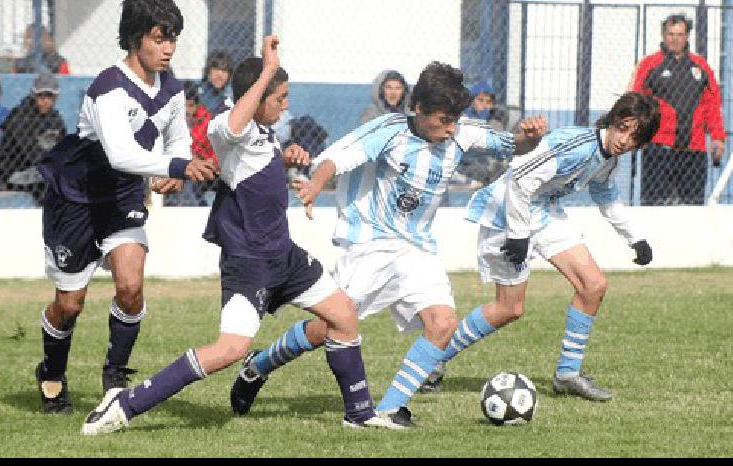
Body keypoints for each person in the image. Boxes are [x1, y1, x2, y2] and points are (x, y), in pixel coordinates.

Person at [80, 35, 401, 435]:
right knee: (230, 349)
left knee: (343, 315)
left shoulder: (263, 131)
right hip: (249, 264)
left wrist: (286, 158)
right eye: (279, 97)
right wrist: (266, 70)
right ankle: (126, 404)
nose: (286, 105)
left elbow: (253, 162)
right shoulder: (226, 124)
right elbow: (232, 133)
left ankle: (359, 413)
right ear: (258, 95)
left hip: (283, 255)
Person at [227, 61, 547, 427]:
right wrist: (315, 185)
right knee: (329, 327)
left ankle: (392, 409)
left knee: (442, 323)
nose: (451, 128)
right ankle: (259, 365)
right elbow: (335, 157)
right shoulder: (389, 131)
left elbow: (510, 144)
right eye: (443, 119)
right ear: (419, 110)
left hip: (418, 249)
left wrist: (530, 138)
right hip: (372, 245)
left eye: (455, 119)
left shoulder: (462, 133)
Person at [32, 0, 218, 415]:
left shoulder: (172, 88)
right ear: (136, 38)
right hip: (76, 202)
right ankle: (52, 372)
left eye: (172, 38)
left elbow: (177, 142)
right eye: (159, 38)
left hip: (121, 198)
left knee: (131, 288)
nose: (168, 48)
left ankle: (115, 377)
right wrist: (173, 169)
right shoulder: (108, 89)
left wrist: (175, 167)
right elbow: (120, 153)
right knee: (69, 304)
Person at [421, 91, 661, 401]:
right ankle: (431, 361)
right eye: (624, 128)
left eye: (635, 136)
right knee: (509, 308)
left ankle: (567, 374)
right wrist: (519, 234)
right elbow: (520, 180)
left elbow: (605, 194)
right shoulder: (576, 145)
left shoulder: (608, 158)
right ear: (614, 121)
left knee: (593, 285)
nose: (625, 140)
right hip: (506, 213)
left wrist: (635, 237)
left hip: (543, 212)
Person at [629, 13, 725, 206]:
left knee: (693, 209)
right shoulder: (649, 64)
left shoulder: (701, 66)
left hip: (694, 150)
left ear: (687, 36)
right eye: (670, 34)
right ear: (664, 35)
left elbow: (712, 106)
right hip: (659, 149)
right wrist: (636, 133)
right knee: (653, 207)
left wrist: (717, 137)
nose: (675, 39)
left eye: (680, 34)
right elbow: (635, 101)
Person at [0, 72, 66, 202]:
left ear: (55, 97)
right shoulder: (20, 117)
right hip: (16, 171)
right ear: (34, 95)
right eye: (41, 95)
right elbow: (31, 154)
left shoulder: (55, 118)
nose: (45, 100)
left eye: (49, 96)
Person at [163, 80, 217, 206]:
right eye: (183, 106)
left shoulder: (207, 122)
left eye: (191, 106)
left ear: (197, 106)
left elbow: (216, 152)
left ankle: (189, 204)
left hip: (206, 168)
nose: (187, 110)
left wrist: (207, 162)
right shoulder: (167, 119)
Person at [453, 81, 513, 187]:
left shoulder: (494, 116)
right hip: (466, 162)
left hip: (485, 161)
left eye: (488, 102)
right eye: (480, 100)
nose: (484, 105)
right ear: (472, 101)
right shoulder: (464, 116)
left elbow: (496, 135)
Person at [198, 49, 234, 116]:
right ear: (208, 72)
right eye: (216, 69)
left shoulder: (233, 95)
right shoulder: (198, 92)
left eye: (224, 70)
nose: (219, 75)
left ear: (229, 74)